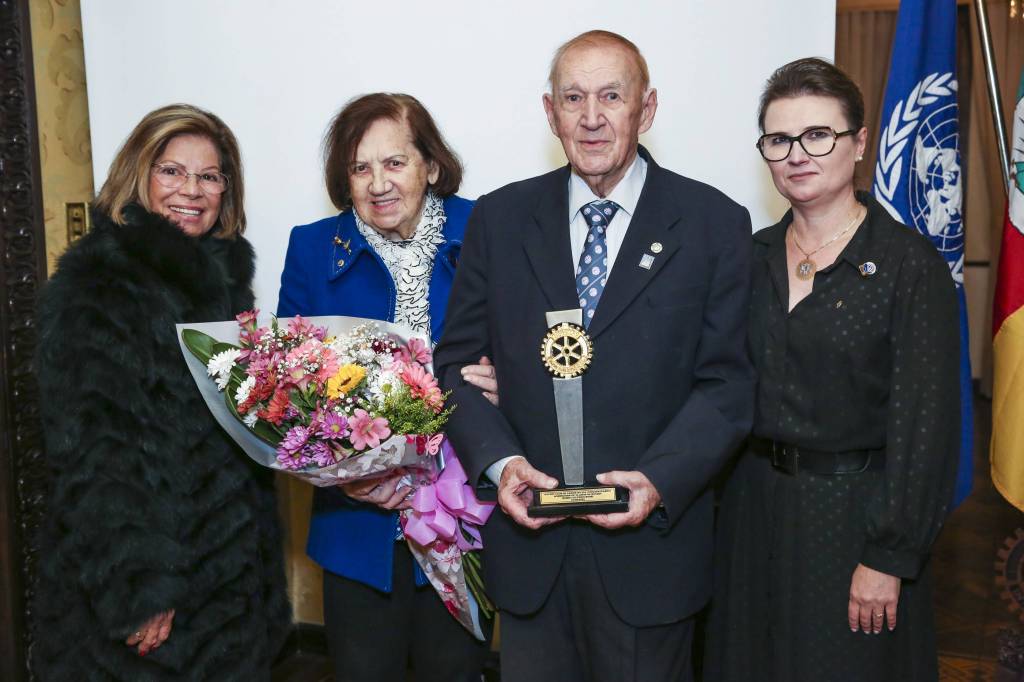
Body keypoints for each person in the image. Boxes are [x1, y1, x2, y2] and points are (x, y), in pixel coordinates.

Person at [434, 31, 755, 682]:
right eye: (573, 98)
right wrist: (501, 463)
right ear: (550, 113)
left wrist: (658, 479)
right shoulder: (500, 219)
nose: (591, 117)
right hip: (530, 551)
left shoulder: (712, 222)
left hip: (650, 554)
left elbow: (727, 385)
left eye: (611, 96)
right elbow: (455, 367)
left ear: (647, 108)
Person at [704, 58, 960, 682]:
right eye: (779, 139)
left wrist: (890, 556)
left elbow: (926, 427)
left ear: (860, 143)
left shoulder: (908, 267)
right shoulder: (748, 257)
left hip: (853, 522)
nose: (797, 154)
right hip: (748, 514)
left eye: (818, 135)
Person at [32, 104, 290, 680]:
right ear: (138, 175)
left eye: (209, 175)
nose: (191, 191)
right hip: (146, 582)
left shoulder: (224, 282)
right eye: (171, 171)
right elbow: (94, 452)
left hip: (225, 579)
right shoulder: (99, 284)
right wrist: (137, 587)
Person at [277, 92, 495, 682]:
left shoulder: (486, 230)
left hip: (466, 523)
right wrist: (344, 475)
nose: (378, 184)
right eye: (359, 167)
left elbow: (531, 345)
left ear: (431, 165)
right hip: (357, 528)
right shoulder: (312, 248)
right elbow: (284, 394)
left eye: (394, 162)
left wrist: (509, 382)